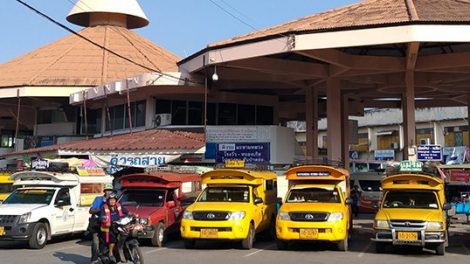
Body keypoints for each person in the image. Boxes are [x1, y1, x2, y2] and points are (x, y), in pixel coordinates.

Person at [88, 183, 113, 264]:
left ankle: (108, 255)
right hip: (97, 223)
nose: (109, 192)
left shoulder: (113, 200)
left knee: (110, 240)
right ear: (104, 191)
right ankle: (94, 260)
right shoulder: (98, 199)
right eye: (107, 191)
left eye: (110, 191)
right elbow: (91, 211)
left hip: (108, 224)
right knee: (95, 242)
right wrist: (100, 209)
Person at [100, 192, 128, 263]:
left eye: (113, 200)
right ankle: (110, 252)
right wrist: (106, 221)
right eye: (110, 200)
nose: (112, 201)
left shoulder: (119, 206)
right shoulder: (104, 207)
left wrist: (133, 214)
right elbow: (102, 217)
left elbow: (126, 212)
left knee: (127, 232)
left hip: (118, 224)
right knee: (112, 238)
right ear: (108, 201)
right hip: (107, 227)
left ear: (116, 200)